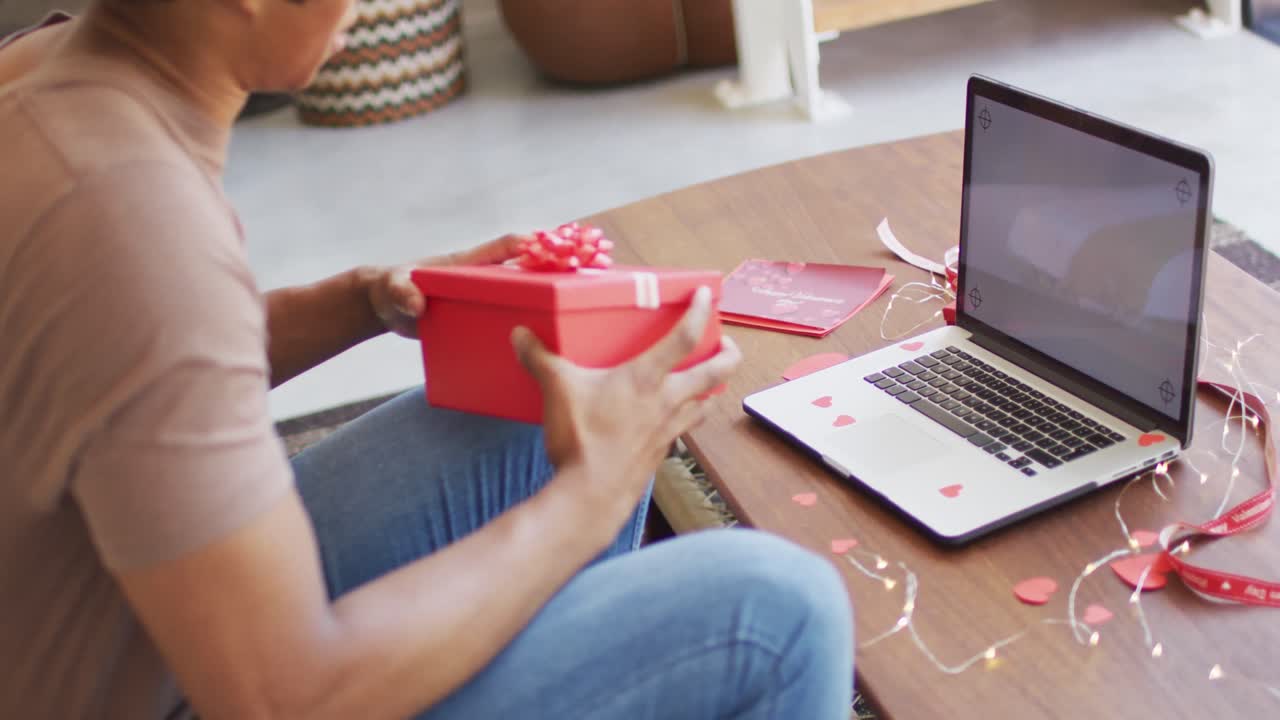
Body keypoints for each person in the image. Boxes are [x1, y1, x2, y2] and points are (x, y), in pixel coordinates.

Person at [0, 3, 855, 719]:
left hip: (119, 609)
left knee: (540, 399)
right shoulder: (134, 226)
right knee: (780, 610)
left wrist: (360, 301)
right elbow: (281, 697)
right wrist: (585, 498)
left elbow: (128, 380)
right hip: (192, 686)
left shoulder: (45, 83)